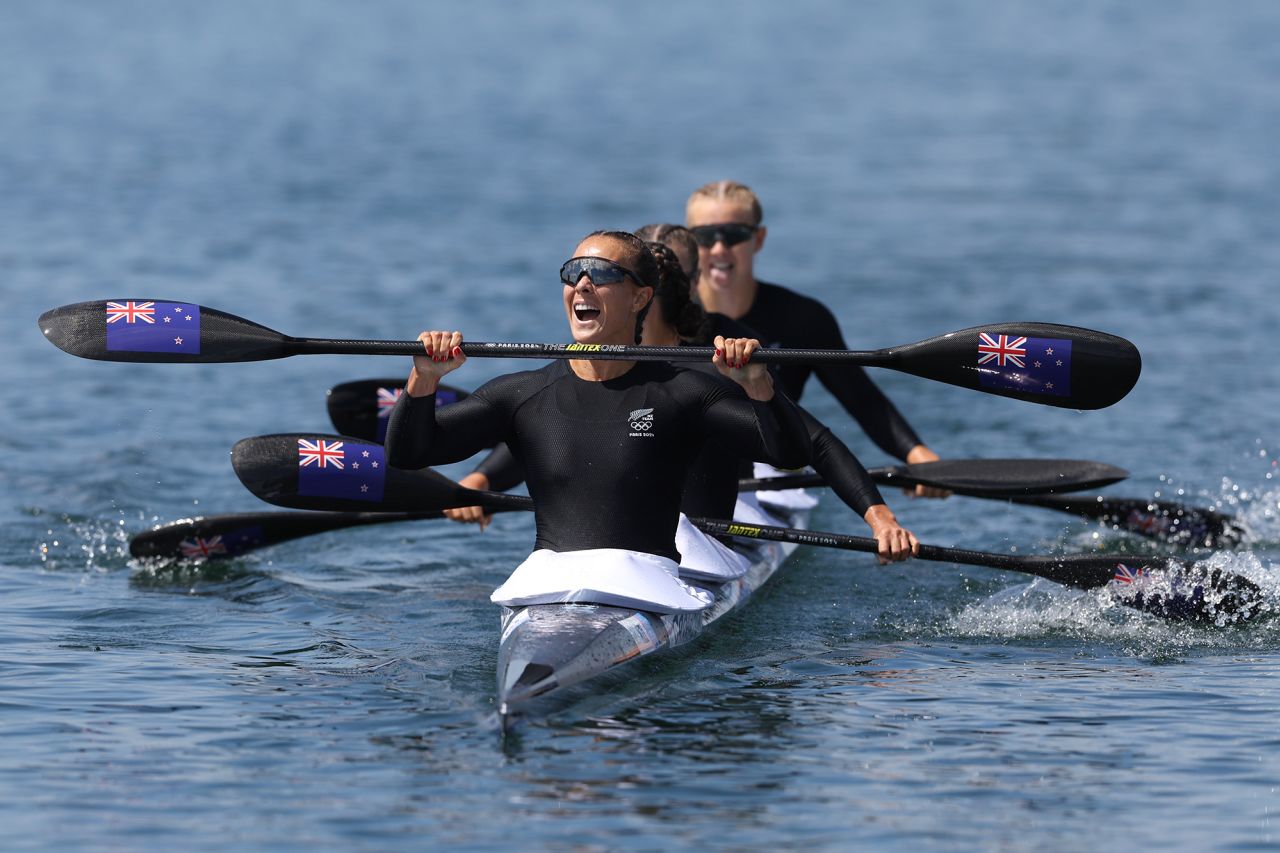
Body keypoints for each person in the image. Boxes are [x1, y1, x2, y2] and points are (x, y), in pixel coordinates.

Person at [384, 230, 813, 613]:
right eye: (573, 273)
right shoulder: (523, 392)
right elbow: (409, 453)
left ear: (641, 298)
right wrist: (423, 378)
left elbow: (790, 454)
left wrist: (759, 386)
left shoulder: (683, 391)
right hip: (547, 583)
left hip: (650, 586)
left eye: (603, 273)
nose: (583, 284)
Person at [636, 235, 918, 564]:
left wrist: (880, 519)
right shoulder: (587, 369)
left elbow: (817, 444)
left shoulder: (720, 362)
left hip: (714, 526)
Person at [685, 180, 947, 498]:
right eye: (705, 237)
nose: (719, 249)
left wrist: (917, 455)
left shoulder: (802, 318)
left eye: (734, 235)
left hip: (771, 467)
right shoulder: (666, 317)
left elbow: (862, 399)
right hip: (689, 468)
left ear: (759, 238)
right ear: (688, 242)